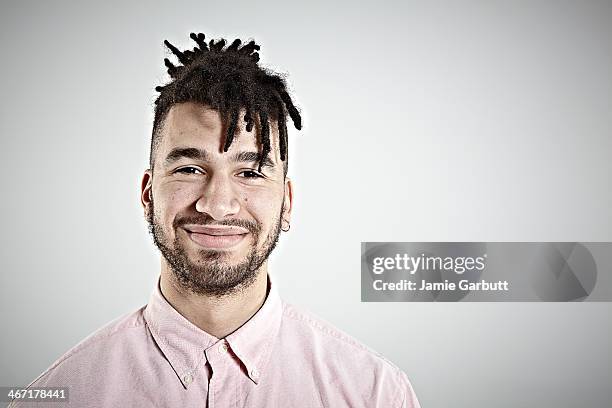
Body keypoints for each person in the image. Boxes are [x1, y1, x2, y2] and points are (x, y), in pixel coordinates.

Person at [10, 32, 421, 408]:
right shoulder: (58, 397)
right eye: (190, 169)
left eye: (251, 172)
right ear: (148, 194)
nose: (218, 205)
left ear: (287, 203)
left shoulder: (374, 393)